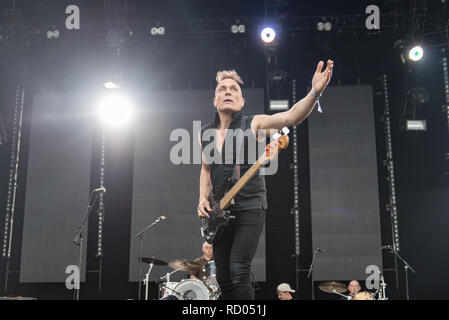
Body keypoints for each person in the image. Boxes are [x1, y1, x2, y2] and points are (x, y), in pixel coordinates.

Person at [197, 60, 334, 300]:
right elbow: (206, 169)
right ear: (215, 101)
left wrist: (314, 92)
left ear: (241, 102)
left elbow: (291, 117)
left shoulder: (254, 123)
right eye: (222, 89)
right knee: (223, 278)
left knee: (239, 270)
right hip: (220, 212)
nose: (227, 91)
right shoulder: (205, 133)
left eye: (233, 89)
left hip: (250, 205)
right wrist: (201, 198)